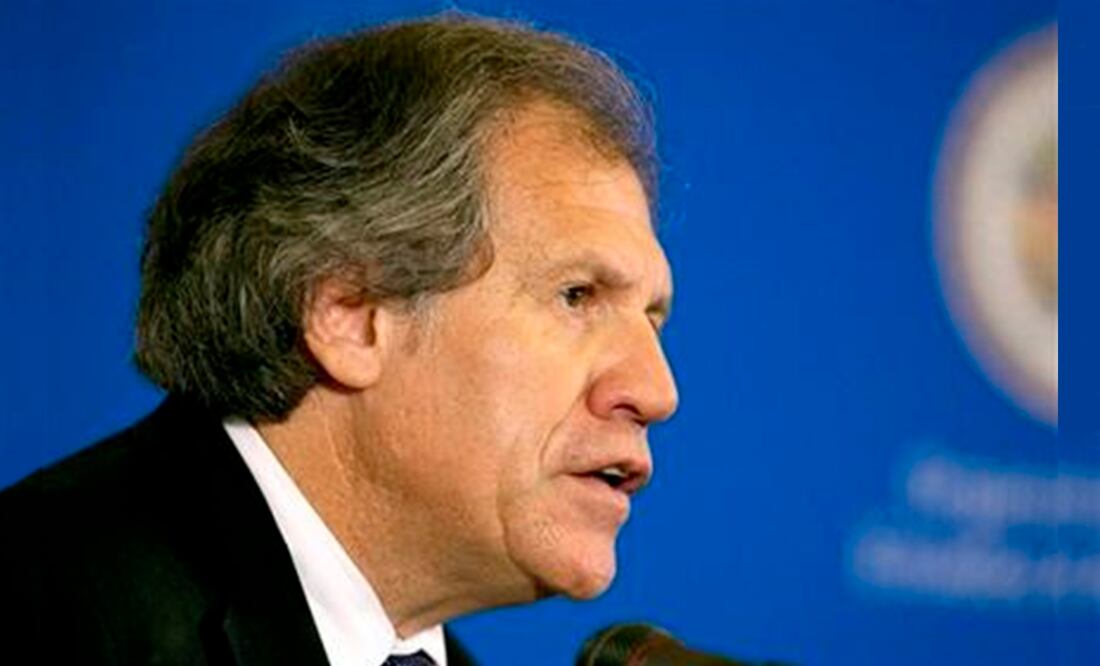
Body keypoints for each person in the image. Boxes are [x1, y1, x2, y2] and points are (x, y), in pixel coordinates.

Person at [0, 13, 678, 665]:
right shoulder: (44, 610)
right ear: (349, 314)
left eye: (652, 317)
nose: (657, 391)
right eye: (577, 296)